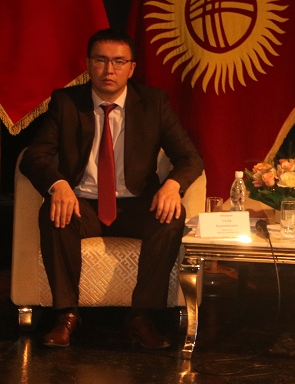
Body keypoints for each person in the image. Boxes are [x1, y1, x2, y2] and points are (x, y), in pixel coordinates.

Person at [20, 28, 204, 349]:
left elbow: (190, 158)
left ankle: (141, 316)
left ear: (131, 68)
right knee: (54, 212)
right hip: (83, 203)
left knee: (171, 217)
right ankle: (66, 315)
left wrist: (173, 185)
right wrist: (58, 185)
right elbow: (35, 156)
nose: (109, 70)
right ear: (88, 64)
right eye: (101, 60)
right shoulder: (66, 102)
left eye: (119, 62)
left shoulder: (154, 103)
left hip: (136, 204)